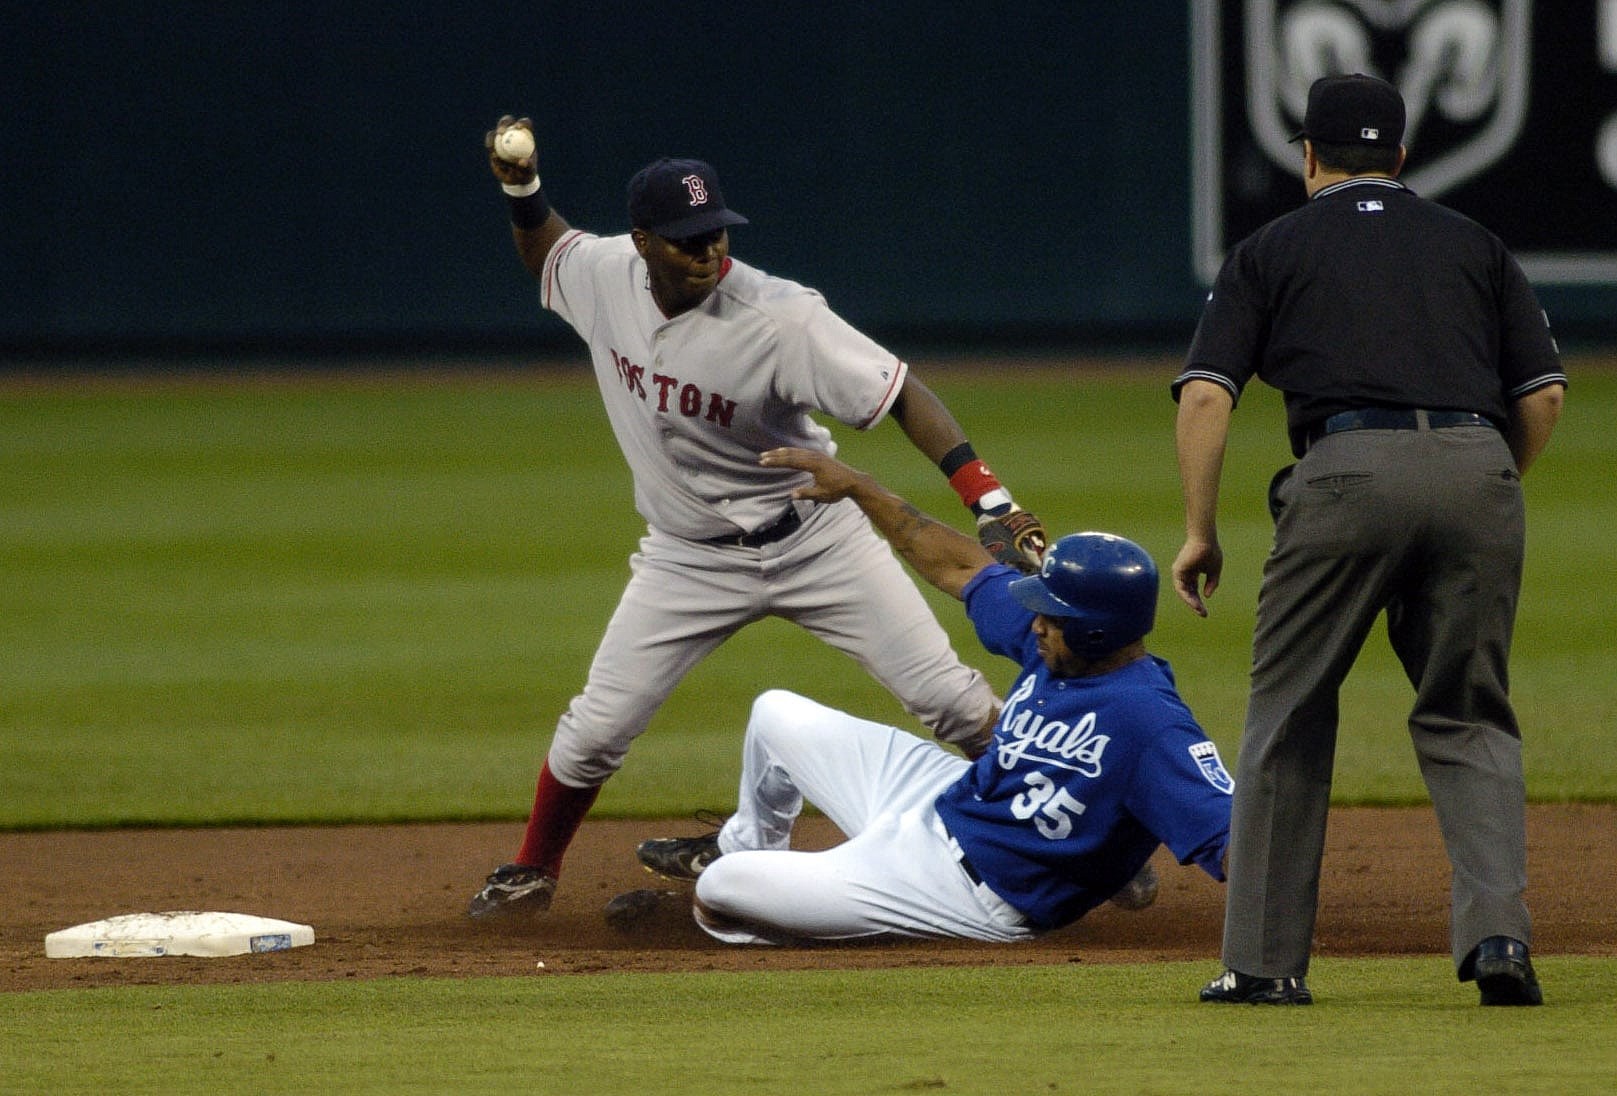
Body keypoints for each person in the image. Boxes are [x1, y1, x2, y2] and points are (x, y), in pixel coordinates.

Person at [467, 116, 1049, 918]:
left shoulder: (782, 316)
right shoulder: (604, 275)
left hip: (815, 540)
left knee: (950, 700)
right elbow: (548, 252)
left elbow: (902, 393)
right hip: (686, 557)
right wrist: (522, 190)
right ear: (642, 243)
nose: (707, 250)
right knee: (595, 729)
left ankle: (1060, 829)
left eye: (715, 232)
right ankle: (532, 867)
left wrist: (988, 499)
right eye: (686, 240)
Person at [1170, 74, 1566, 1006]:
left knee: (1289, 714)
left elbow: (1206, 396)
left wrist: (1199, 532)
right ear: (1400, 155)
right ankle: (1499, 940)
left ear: (1307, 155)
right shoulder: (1473, 243)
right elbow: (1543, 394)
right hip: (1478, 468)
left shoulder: (1270, 248)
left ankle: (1263, 966)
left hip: (1342, 472)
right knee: (1468, 711)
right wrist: (1482, 482)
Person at [626, 446, 1233, 944]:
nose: (1036, 625)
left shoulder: (1150, 724)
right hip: (941, 799)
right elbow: (960, 568)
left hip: (962, 892)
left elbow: (1236, 842)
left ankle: (791, 923)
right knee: (773, 714)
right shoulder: (1060, 647)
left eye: (1050, 615)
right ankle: (749, 847)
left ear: (1097, 632)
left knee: (724, 888)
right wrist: (861, 488)